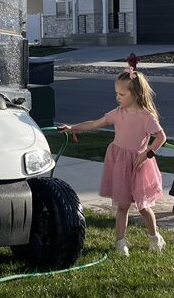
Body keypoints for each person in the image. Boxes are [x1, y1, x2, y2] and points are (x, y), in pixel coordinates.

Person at [57, 67, 167, 257]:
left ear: (136, 93)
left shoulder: (146, 117)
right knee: (122, 205)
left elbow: (161, 138)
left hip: (138, 165)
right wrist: (72, 127)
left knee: (143, 206)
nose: (117, 97)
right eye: (117, 93)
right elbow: (94, 123)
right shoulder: (117, 113)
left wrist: (146, 154)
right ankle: (120, 243)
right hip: (120, 163)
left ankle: (155, 237)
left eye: (122, 94)